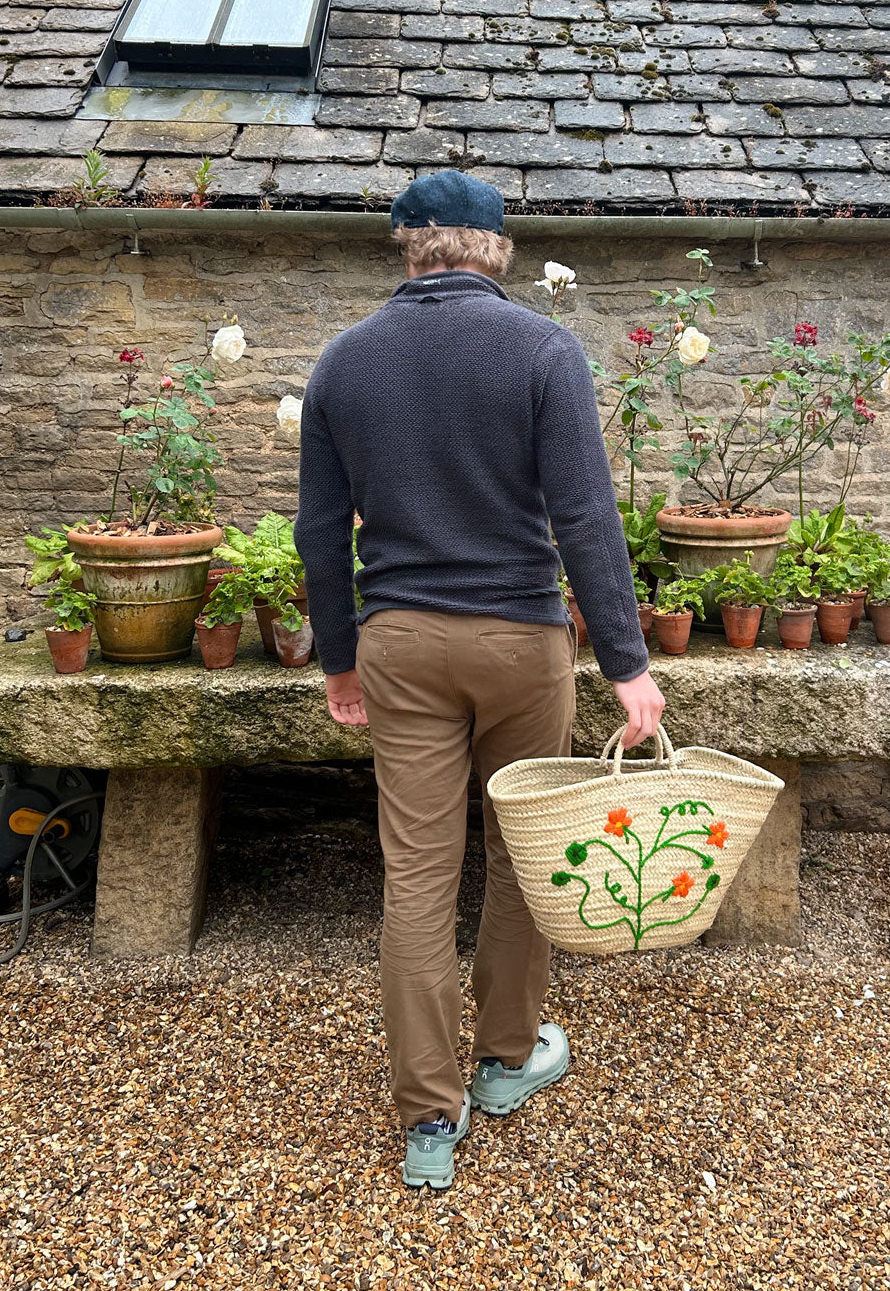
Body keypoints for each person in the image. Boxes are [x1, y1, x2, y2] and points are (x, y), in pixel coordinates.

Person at [295, 170, 665, 1189]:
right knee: (518, 853)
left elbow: (319, 532)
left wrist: (338, 656)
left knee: (416, 875)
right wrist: (630, 667)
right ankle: (505, 1061)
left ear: (409, 246)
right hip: (518, 643)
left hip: (401, 644)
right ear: (495, 250)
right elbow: (586, 520)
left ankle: (428, 1120)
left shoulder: (344, 362)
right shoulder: (544, 349)